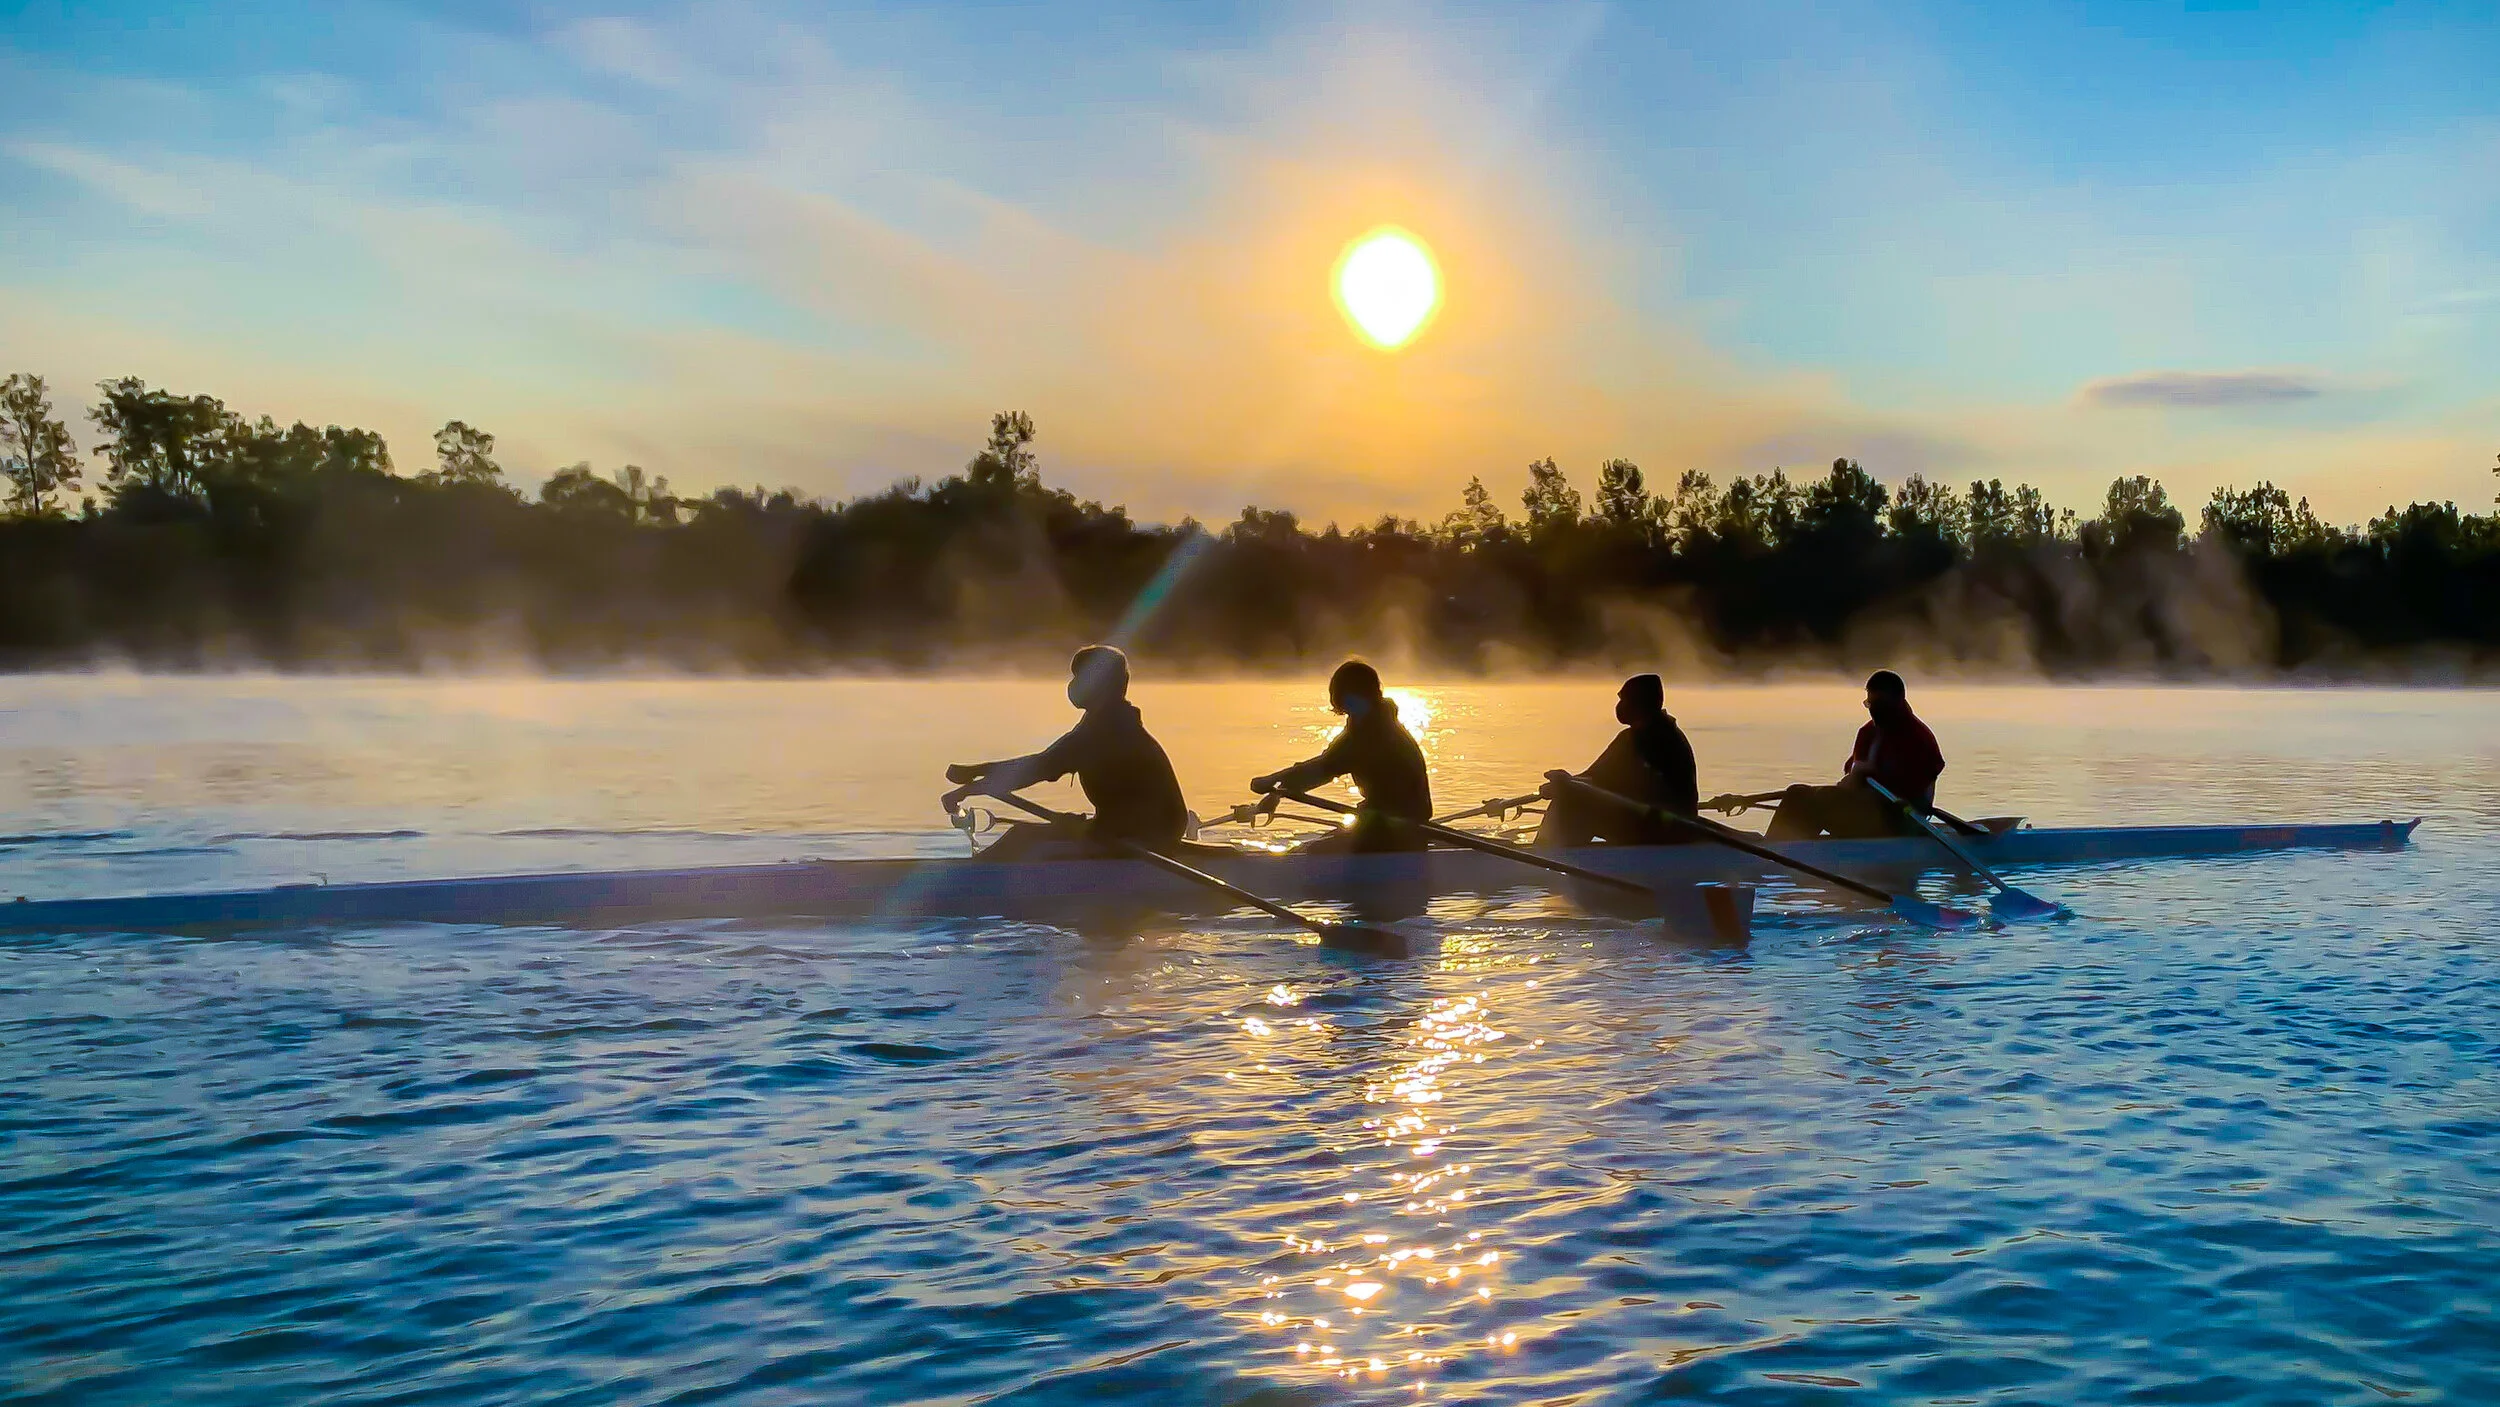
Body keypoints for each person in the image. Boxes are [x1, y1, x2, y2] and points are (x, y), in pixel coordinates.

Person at [941, 644, 1188, 861]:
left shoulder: (1109, 729)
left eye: (1080, 677)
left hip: (1151, 834)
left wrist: (972, 783)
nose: (1073, 685)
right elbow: (1046, 761)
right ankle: (979, 873)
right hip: (1122, 826)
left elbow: (1040, 767)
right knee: (1025, 837)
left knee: (1022, 840)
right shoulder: (1100, 721)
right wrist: (975, 774)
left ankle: (974, 880)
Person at [1249, 659, 1432, 854]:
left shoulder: (1374, 731)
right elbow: (1325, 762)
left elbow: (1324, 768)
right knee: (1315, 846)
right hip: (1386, 825)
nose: (1346, 711)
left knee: (1312, 853)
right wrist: (1278, 791)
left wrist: (1272, 780)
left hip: (1398, 831)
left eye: (1348, 702)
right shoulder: (1370, 720)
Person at [1762, 669, 1944, 841]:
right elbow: (1852, 777)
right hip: (1869, 810)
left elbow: (1913, 794)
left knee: (1825, 798)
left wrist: (1863, 777)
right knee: (1796, 792)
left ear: (1898, 701)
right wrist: (1857, 776)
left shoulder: (1919, 738)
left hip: (1898, 819)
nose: (1874, 711)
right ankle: (1775, 846)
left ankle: (1787, 851)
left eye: (1880, 705)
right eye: (1870, 704)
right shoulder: (1867, 733)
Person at [1534, 674, 1700, 848]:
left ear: (1640, 703)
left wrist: (1568, 787)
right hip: (1652, 820)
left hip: (1665, 830)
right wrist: (1566, 783)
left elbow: (1605, 784)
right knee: (1569, 795)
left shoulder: (1657, 739)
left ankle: (1543, 858)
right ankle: (1550, 852)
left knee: (1570, 804)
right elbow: (1595, 777)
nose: (1619, 706)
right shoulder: (1637, 735)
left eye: (1625, 700)